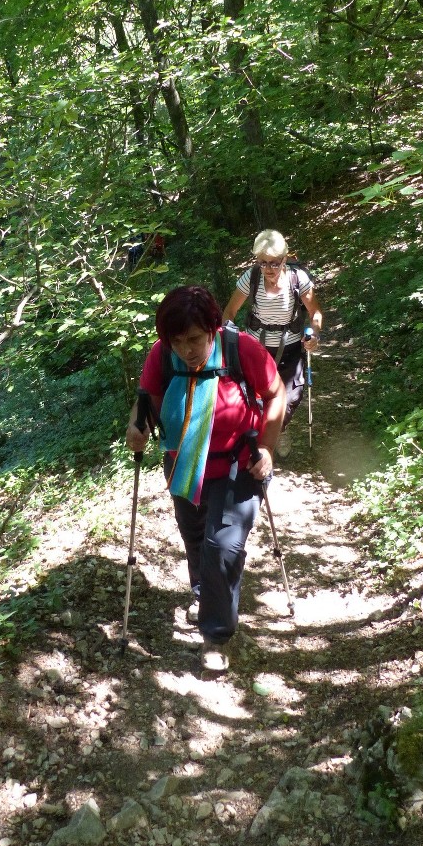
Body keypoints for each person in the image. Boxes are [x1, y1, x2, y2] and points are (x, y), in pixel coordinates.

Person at [126, 286, 286, 673]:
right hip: (183, 462)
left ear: (212, 329)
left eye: (194, 339)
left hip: (237, 463)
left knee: (223, 545)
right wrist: (136, 426)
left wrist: (266, 448)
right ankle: (205, 593)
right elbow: (147, 396)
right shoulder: (162, 354)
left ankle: (216, 634)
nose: (187, 349)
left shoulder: (240, 348)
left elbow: (276, 393)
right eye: (178, 341)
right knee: (196, 538)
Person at [222, 229, 322, 457]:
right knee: (256, 395)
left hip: (291, 346)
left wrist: (315, 333)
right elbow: (230, 311)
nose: (268, 268)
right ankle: (261, 439)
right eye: (263, 262)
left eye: (275, 263)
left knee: (291, 395)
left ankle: (279, 429)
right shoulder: (251, 277)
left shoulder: (298, 279)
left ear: (285, 259)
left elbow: (315, 311)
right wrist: (229, 339)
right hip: (256, 347)